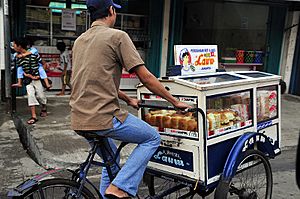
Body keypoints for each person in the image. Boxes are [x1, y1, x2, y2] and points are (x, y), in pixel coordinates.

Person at [70, 0, 191, 198]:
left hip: (79, 118)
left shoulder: (80, 41)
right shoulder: (117, 36)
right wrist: (174, 101)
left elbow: (94, 79)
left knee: (111, 163)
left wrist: (128, 99)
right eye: (114, 10)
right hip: (104, 117)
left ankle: (110, 192)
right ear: (111, 11)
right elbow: (146, 77)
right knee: (152, 138)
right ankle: (121, 187)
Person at [12, 37, 47, 124]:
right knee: (31, 95)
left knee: (41, 96)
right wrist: (21, 80)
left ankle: (44, 107)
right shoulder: (18, 57)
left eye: (14, 45)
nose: (13, 47)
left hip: (37, 78)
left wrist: (40, 76)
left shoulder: (34, 54)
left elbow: (43, 64)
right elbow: (20, 69)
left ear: (19, 46)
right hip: (28, 80)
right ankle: (34, 116)